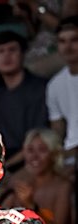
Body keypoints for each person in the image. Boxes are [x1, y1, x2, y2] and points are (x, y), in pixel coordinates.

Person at [0, 30, 50, 170]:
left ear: (23, 54)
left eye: (12, 50)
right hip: (4, 161)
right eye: (0, 51)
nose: (6, 55)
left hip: (35, 159)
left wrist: (5, 166)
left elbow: (41, 135)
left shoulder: (40, 89)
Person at [5, 128, 73, 224]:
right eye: (30, 150)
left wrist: (32, 207)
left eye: (42, 150)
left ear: (54, 154)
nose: (35, 157)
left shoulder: (63, 187)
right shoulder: (17, 181)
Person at [45, 18, 78, 157]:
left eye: (74, 40)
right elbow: (57, 130)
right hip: (68, 154)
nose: (68, 47)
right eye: (62, 41)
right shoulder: (54, 85)